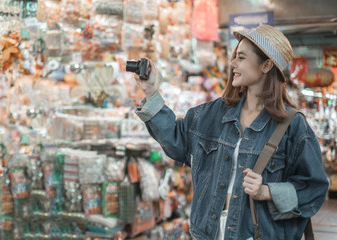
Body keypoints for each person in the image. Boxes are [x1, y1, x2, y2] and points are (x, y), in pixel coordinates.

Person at [134, 24, 329, 240]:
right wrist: (151, 90)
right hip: (207, 234)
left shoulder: (292, 126)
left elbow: (314, 188)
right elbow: (176, 142)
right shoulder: (213, 114)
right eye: (235, 56)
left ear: (266, 65)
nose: (232, 63)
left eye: (242, 58)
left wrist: (267, 191)